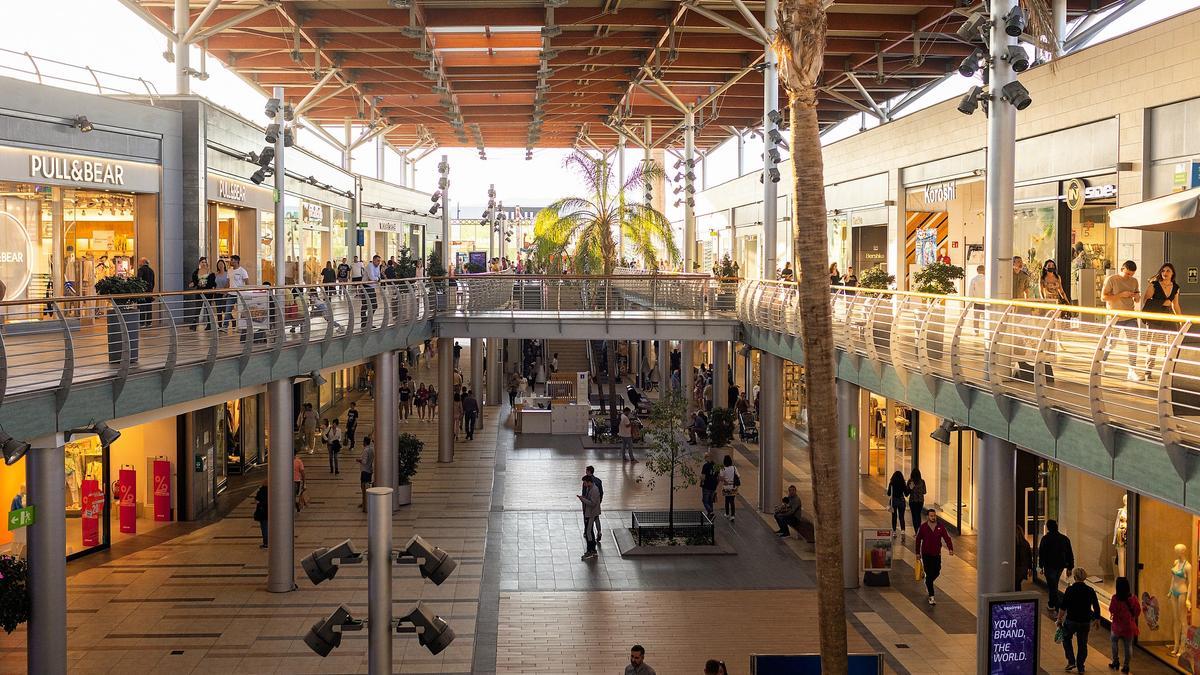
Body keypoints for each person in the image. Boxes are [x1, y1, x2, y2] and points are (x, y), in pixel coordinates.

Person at [1102, 260, 1142, 382]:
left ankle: (1131, 370)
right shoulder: (1111, 279)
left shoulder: (1134, 281)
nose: (1129, 277)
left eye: (1131, 274)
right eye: (1127, 274)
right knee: (1111, 343)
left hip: (1130, 316)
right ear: (1122, 269)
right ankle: (1101, 362)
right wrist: (1121, 295)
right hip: (1115, 317)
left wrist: (1136, 297)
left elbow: (1137, 299)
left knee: (1133, 343)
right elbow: (1104, 297)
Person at [1057, 567, 1101, 673]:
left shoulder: (1070, 590)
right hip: (1085, 621)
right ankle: (1080, 666)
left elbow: (1063, 606)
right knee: (1082, 644)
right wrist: (1097, 619)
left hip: (1071, 620)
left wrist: (1059, 619)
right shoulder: (1090, 590)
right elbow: (1096, 606)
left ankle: (1071, 660)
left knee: (1066, 638)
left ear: (1075, 577)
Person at [1143, 262, 1182, 377]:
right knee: (1153, 344)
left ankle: (1167, 371)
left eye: (1168, 271)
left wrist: (1181, 320)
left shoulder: (1175, 287)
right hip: (1155, 317)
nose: (1165, 273)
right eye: (1163, 271)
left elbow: (1176, 305)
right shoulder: (1154, 285)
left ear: (1173, 273)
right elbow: (1146, 300)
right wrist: (1162, 302)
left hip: (1169, 316)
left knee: (1171, 344)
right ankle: (1148, 370)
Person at [914, 507, 954, 605]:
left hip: (936, 553)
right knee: (928, 571)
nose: (933, 517)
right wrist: (917, 553)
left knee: (937, 571)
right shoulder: (923, 527)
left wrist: (950, 548)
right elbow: (918, 540)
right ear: (927, 517)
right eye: (931, 516)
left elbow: (946, 537)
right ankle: (931, 596)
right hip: (926, 554)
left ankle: (928, 581)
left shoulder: (940, 527)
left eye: (934, 515)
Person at [1039, 519, 1075, 614]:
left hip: (1049, 565)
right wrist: (1070, 567)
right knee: (1054, 585)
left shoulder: (1045, 539)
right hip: (1060, 565)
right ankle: (1052, 604)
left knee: (1052, 586)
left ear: (1048, 527)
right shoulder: (1064, 538)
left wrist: (1041, 566)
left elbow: (1041, 553)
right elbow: (1069, 553)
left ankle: (1057, 606)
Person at [1108, 576, 1140, 673]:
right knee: (1128, 645)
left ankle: (1115, 662)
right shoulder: (1133, 598)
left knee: (1114, 642)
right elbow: (1137, 611)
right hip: (1128, 626)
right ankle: (1126, 666)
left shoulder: (1115, 598)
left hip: (1117, 625)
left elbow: (1111, 609)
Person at [578, 475, 601, 561]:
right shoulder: (590, 488)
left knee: (588, 532)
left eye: (584, 482)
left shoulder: (594, 490)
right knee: (589, 531)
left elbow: (592, 503)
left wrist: (582, 499)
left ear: (589, 482)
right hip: (589, 512)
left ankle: (591, 550)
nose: (584, 484)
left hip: (591, 514)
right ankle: (592, 550)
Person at [887, 470, 908, 538]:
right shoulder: (903, 483)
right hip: (901, 501)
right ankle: (902, 530)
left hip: (894, 501)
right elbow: (906, 494)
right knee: (901, 516)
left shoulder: (892, 483)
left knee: (894, 516)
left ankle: (894, 531)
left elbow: (889, 493)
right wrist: (910, 489)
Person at [584, 465, 603, 542]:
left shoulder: (587, 480)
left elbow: (585, 492)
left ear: (589, 471)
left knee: (589, 520)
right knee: (597, 518)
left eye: (586, 471)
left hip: (589, 504)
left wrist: (583, 500)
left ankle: (588, 534)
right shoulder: (598, 480)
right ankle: (599, 532)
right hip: (597, 503)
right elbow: (601, 492)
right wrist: (599, 501)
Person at [718, 454, 740, 522]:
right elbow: (738, 476)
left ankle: (727, 513)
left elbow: (721, 478)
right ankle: (732, 515)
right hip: (733, 487)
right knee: (732, 501)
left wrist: (724, 480)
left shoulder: (723, 468)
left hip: (726, 487)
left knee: (727, 500)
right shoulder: (734, 468)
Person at [356, 435, 374, 512]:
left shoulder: (366, 450)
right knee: (366, 487)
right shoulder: (371, 449)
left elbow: (364, 461)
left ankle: (365, 503)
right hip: (369, 470)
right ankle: (365, 502)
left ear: (365, 442)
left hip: (364, 471)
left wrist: (358, 460)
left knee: (363, 488)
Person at [700, 452, 720, 520]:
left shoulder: (705, 466)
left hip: (706, 485)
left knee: (705, 501)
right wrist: (716, 484)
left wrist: (702, 481)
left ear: (708, 458)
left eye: (705, 457)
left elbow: (703, 477)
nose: (704, 458)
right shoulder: (716, 466)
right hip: (713, 486)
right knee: (710, 500)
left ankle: (710, 512)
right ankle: (710, 513)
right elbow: (718, 477)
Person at [906, 468, 926, 533]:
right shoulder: (922, 481)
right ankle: (919, 532)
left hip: (912, 501)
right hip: (920, 501)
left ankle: (916, 531)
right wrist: (919, 491)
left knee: (914, 516)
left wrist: (911, 489)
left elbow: (907, 493)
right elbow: (924, 492)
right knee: (918, 515)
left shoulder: (910, 481)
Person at [1015, 527, 1033, 591]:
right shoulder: (1026, 543)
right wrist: (1030, 568)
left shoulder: (1013, 544)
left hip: (1017, 568)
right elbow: (1029, 556)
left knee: (1016, 584)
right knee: (1017, 584)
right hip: (1023, 568)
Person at [252, 480, 268, 548]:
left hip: (262, 511)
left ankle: (266, 543)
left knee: (264, 527)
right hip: (272, 511)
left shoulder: (261, 491)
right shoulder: (274, 490)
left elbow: (256, 500)